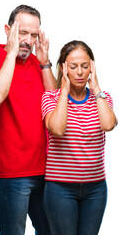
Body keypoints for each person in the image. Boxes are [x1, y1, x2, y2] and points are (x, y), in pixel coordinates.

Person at [0, 5, 56, 235]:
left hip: (47, 170)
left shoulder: (37, 64)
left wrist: (44, 64)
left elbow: (54, 104)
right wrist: (11, 54)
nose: (28, 41)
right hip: (12, 175)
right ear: (7, 30)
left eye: (33, 35)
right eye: (22, 33)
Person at [41, 40, 118, 235]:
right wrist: (64, 90)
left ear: (92, 67)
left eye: (85, 66)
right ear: (63, 68)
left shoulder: (102, 97)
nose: (80, 72)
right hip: (60, 189)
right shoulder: (51, 97)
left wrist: (96, 87)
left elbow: (108, 125)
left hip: (96, 189)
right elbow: (57, 128)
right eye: (73, 67)